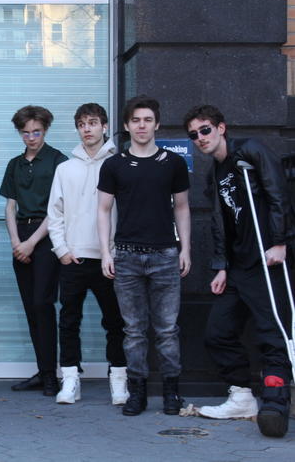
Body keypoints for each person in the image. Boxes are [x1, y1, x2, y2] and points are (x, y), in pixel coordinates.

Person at [184, 104, 294, 438]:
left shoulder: (250, 151)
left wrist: (280, 242)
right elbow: (221, 224)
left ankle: (275, 405)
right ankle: (242, 397)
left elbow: (278, 194)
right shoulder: (214, 173)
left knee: (273, 332)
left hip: (266, 259)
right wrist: (221, 267)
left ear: (221, 128)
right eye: (193, 135)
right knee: (218, 332)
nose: (200, 138)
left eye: (205, 130)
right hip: (237, 267)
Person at [96, 95, 191, 416]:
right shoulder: (114, 165)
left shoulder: (173, 163)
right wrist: (106, 252)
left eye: (147, 120)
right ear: (127, 125)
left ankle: (171, 392)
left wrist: (186, 249)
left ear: (157, 124)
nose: (141, 125)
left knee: (167, 330)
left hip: (165, 255)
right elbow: (103, 210)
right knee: (134, 331)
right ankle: (137, 392)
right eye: (136, 120)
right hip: (126, 257)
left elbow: (182, 207)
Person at [47, 103, 128, 405]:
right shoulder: (65, 169)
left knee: (116, 322)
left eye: (93, 123)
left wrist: (116, 252)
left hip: (110, 259)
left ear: (105, 126)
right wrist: (62, 250)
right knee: (69, 321)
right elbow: (55, 213)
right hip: (74, 257)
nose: (87, 129)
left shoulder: (119, 164)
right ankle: (70, 380)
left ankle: (118, 380)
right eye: (82, 124)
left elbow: (127, 211)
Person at [0, 105, 66, 397]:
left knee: (43, 304)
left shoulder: (58, 161)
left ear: (45, 130)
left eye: (36, 132)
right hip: (21, 236)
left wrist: (31, 243)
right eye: (25, 133)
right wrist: (16, 242)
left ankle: (51, 375)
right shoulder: (14, 164)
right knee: (30, 308)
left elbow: (58, 209)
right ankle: (42, 371)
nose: (31, 138)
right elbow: (10, 206)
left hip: (47, 236)